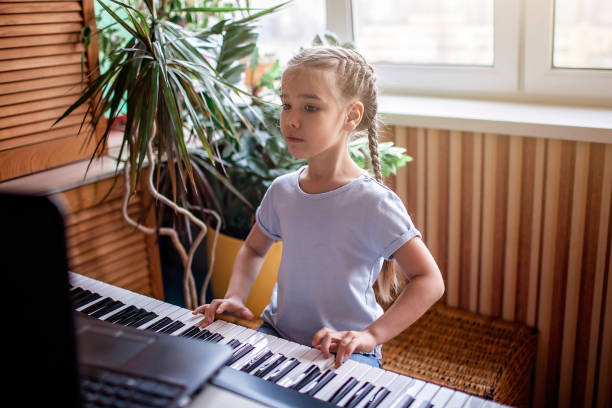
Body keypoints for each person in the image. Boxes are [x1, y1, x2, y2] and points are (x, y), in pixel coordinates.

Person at [193, 46, 444, 369]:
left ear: (351, 115)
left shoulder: (374, 203)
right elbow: (254, 249)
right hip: (277, 335)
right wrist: (236, 296)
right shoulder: (283, 190)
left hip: (347, 352)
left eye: (310, 107)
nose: (291, 120)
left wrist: (370, 335)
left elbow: (429, 280)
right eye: (286, 105)